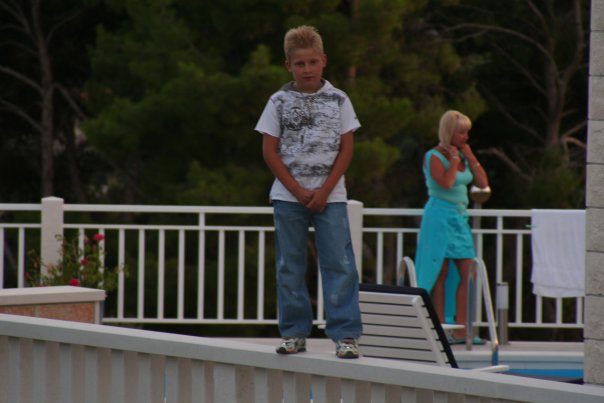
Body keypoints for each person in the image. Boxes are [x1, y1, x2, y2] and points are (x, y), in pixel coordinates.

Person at [254, 25, 363, 358]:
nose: (307, 69)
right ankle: (294, 333)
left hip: (331, 198)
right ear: (288, 65)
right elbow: (269, 151)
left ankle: (345, 335)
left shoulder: (339, 99)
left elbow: (347, 148)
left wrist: (325, 190)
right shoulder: (278, 101)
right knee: (289, 266)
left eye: (312, 62)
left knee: (340, 264)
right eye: (299, 64)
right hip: (289, 198)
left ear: (323, 61)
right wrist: (298, 190)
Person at [415, 110, 489, 344]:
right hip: (439, 217)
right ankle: (439, 328)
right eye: (461, 132)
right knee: (441, 272)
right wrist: (455, 159)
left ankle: (461, 330)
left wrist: (470, 157)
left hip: (459, 218)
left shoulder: (465, 156)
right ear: (449, 132)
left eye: (467, 132)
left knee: (468, 273)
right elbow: (446, 183)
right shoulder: (433, 156)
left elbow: (483, 183)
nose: (466, 137)